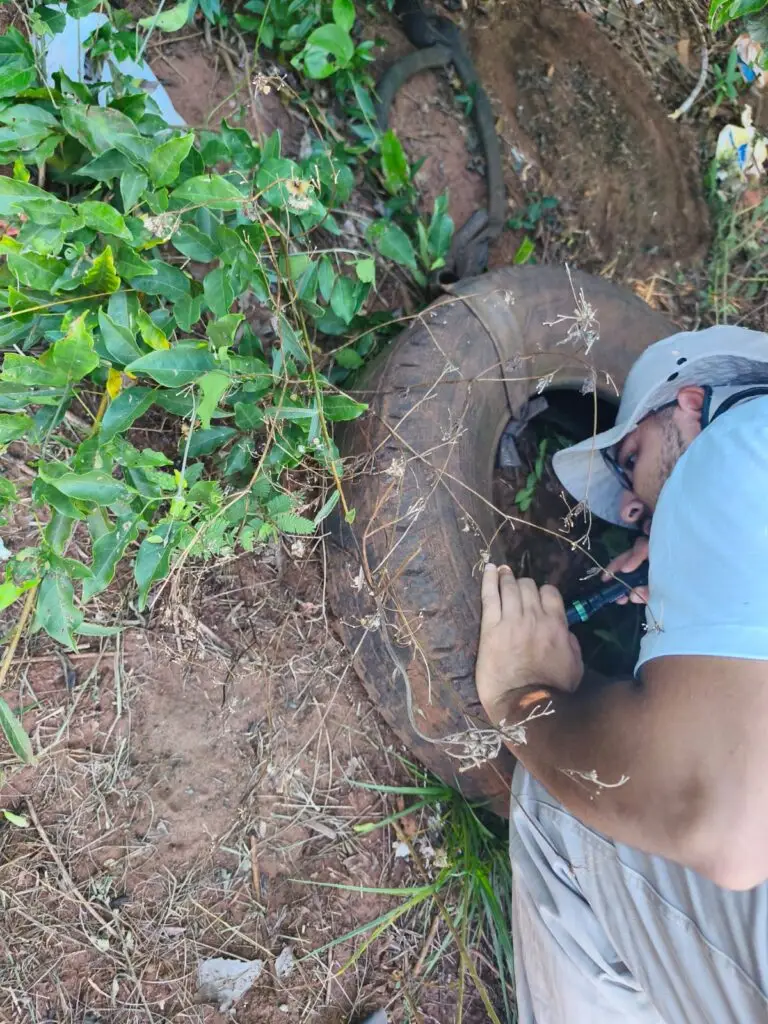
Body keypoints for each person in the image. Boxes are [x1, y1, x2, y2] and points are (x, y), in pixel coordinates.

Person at [474, 325, 768, 1023]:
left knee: (566, 810)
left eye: (628, 457)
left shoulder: (731, 446)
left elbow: (730, 833)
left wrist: (526, 697)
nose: (631, 509)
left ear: (690, 404)